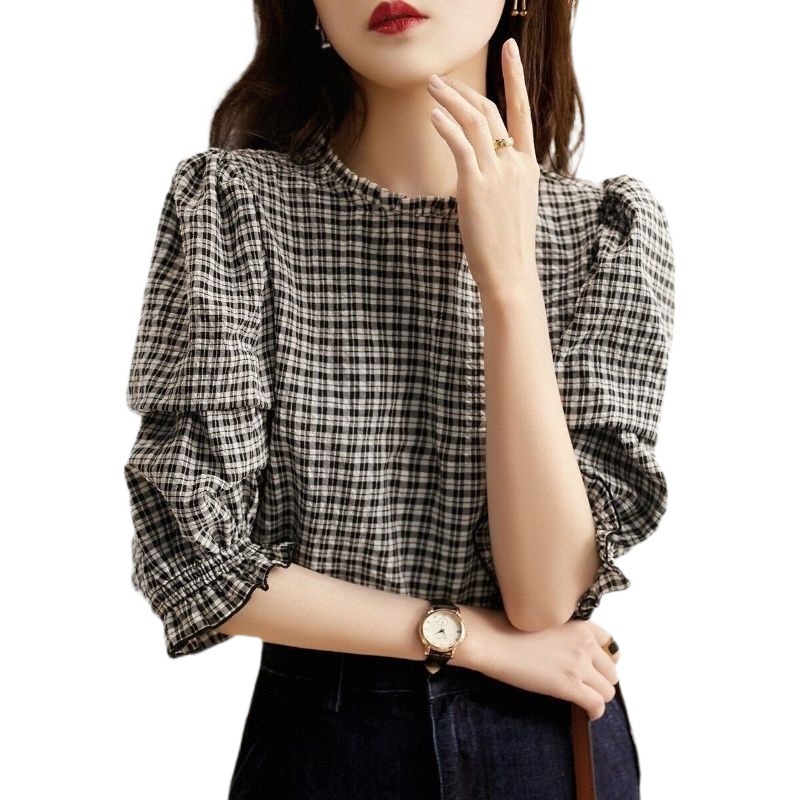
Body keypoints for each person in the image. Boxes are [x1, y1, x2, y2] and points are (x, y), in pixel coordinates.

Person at [123, 1, 675, 797]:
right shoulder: (233, 207)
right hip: (323, 746)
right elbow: (195, 560)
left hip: (541, 753)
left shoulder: (607, 234)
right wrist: (464, 637)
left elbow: (544, 597)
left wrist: (509, 282)